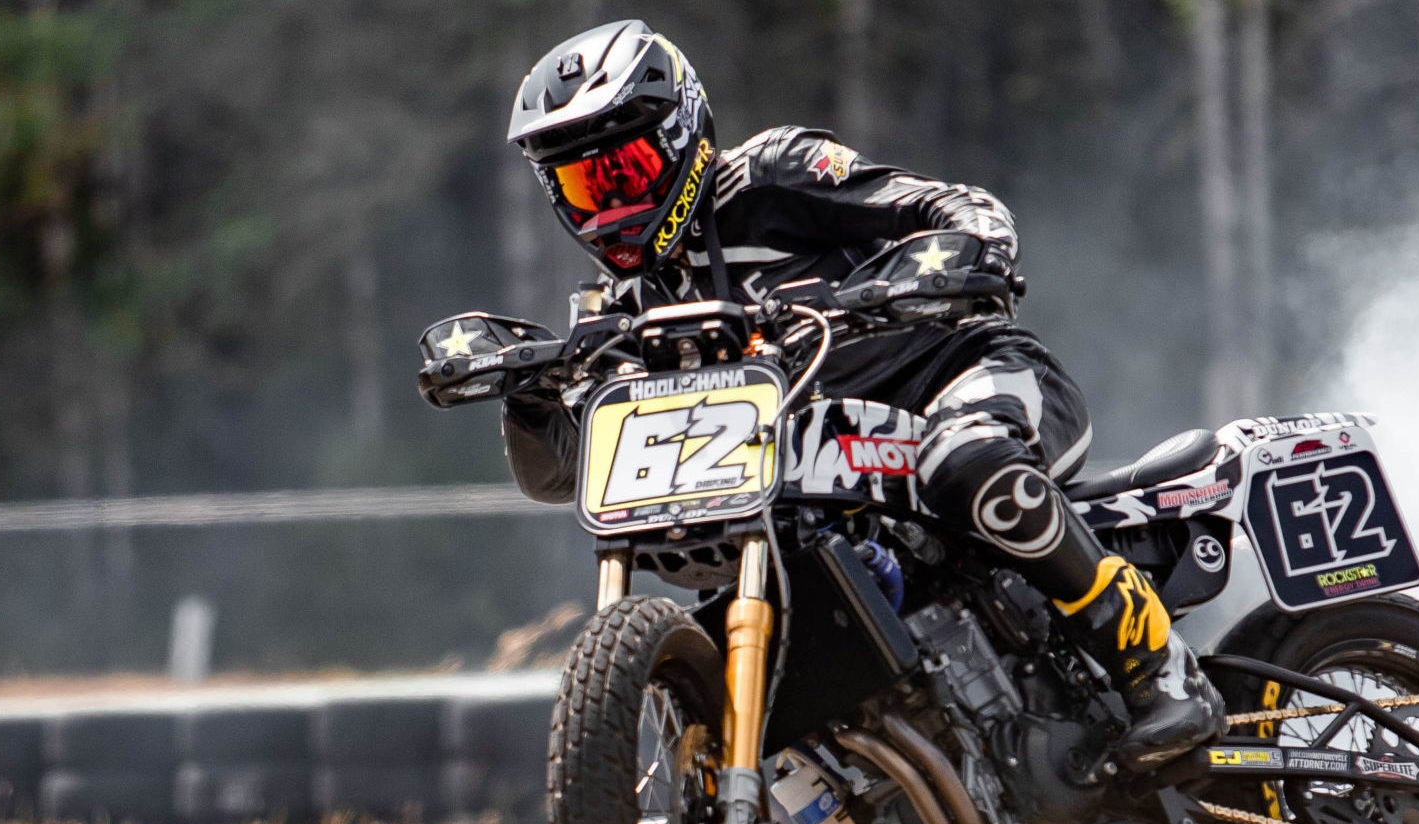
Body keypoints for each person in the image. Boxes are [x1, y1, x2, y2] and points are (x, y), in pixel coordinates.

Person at [500, 21, 1222, 767]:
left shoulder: (772, 175)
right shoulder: (618, 310)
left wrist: (960, 255)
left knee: (965, 459)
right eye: (586, 184)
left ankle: (1151, 659)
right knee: (778, 591)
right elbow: (558, 472)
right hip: (829, 484)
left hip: (966, 375)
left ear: (681, 130)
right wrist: (533, 397)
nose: (609, 204)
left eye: (624, 170)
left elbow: (947, 204)